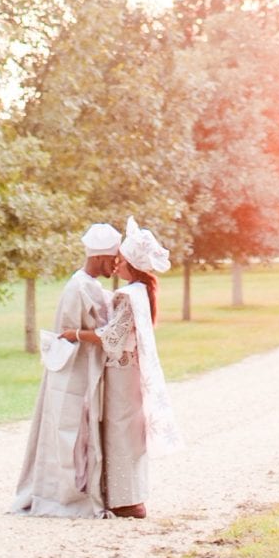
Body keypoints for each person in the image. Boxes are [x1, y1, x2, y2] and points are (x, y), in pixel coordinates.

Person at [59, 216, 183, 518]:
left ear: (131, 265)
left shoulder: (128, 295)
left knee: (121, 431)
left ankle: (128, 499)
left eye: (122, 260)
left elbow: (111, 338)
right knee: (128, 430)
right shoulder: (140, 292)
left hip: (121, 372)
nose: (116, 264)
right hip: (130, 370)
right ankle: (126, 494)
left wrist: (74, 334)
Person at [10, 221, 121, 518]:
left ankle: (85, 490)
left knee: (80, 431)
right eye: (114, 259)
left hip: (87, 368)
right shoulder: (78, 287)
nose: (117, 265)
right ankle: (65, 495)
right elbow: (73, 332)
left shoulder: (93, 286)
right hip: (73, 371)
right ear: (100, 257)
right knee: (68, 431)